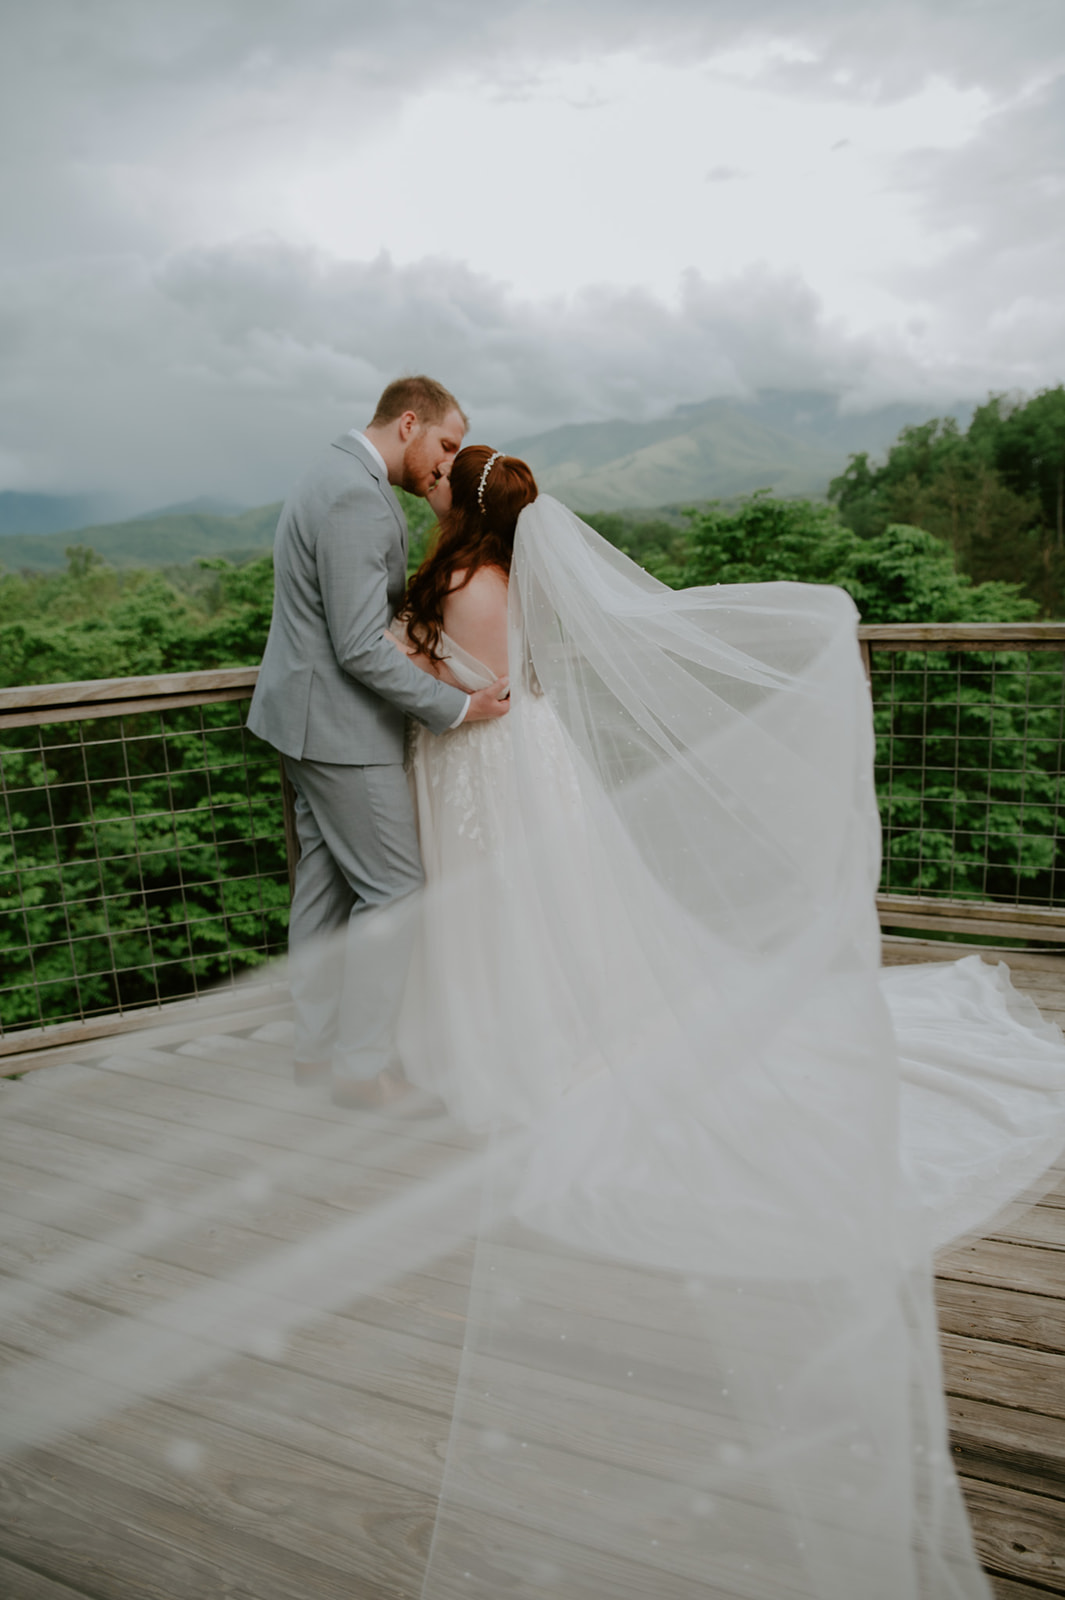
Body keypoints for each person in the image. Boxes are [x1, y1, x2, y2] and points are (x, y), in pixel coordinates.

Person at [379, 444, 1065, 1599]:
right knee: (567, 912)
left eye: (448, 476)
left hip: (483, 761)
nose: (435, 483)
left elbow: (433, 681)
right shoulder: (524, 583)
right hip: (532, 755)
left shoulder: (452, 589)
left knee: (514, 914)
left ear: (464, 508)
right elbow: (530, 676)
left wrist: (411, 656)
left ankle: (519, 1042)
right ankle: (564, 1025)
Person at [246, 378, 510, 1108]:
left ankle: (314, 1052)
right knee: (396, 890)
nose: (447, 465)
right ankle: (360, 1069)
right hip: (340, 730)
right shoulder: (359, 497)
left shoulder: (332, 471)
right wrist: (455, 708)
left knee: (326, 891)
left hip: (303, 721)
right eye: (446, 446)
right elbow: (360, 646)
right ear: (408, 422)